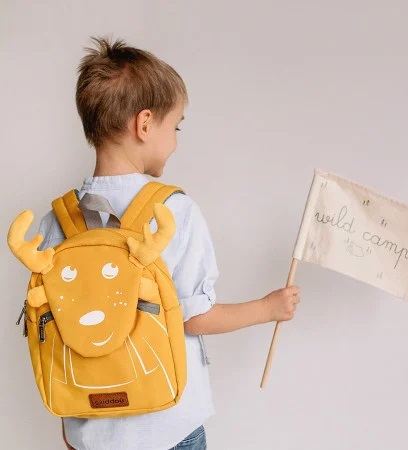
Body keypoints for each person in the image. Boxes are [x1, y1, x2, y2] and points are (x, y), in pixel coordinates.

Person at [37, 36, 301, 450]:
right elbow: (193, 317)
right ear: (144, 124)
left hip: (89, 428)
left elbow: (58, 327)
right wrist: (268, 308)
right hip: (167, 427)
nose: (175, 141)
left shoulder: (55, 221)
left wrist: (73, 425)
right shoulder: (172, 212)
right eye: (174, 126)